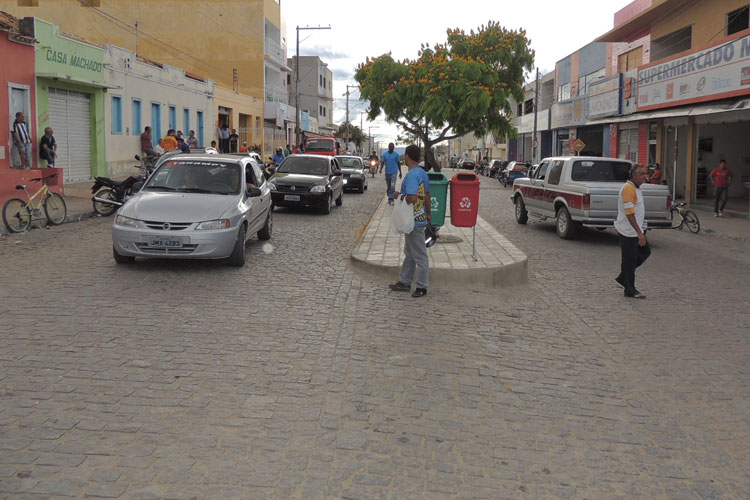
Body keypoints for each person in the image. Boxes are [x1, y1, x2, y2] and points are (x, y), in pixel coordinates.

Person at [389, 144, 431, 298]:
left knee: (419, 255)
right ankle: (405, 281)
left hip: (413, 220)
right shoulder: (423, 173)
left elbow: (412, 198)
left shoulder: (412, 175)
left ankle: (422, 286)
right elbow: (427, 196)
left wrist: (398, 196)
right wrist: (429, 214)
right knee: (410, 253)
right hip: (419, 218)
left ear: (407, 156)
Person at [614, 164, 651, 299]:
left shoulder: (636, 188)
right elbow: (629, 213)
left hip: (636, 230)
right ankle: (629, 289)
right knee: (629, 260)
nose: (645, 177)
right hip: (628, 231)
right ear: (634, 175)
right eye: (642, 174)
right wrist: (639, 233)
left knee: (645, 252)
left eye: (646, 174)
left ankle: (624, 277)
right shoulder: (628, 189)